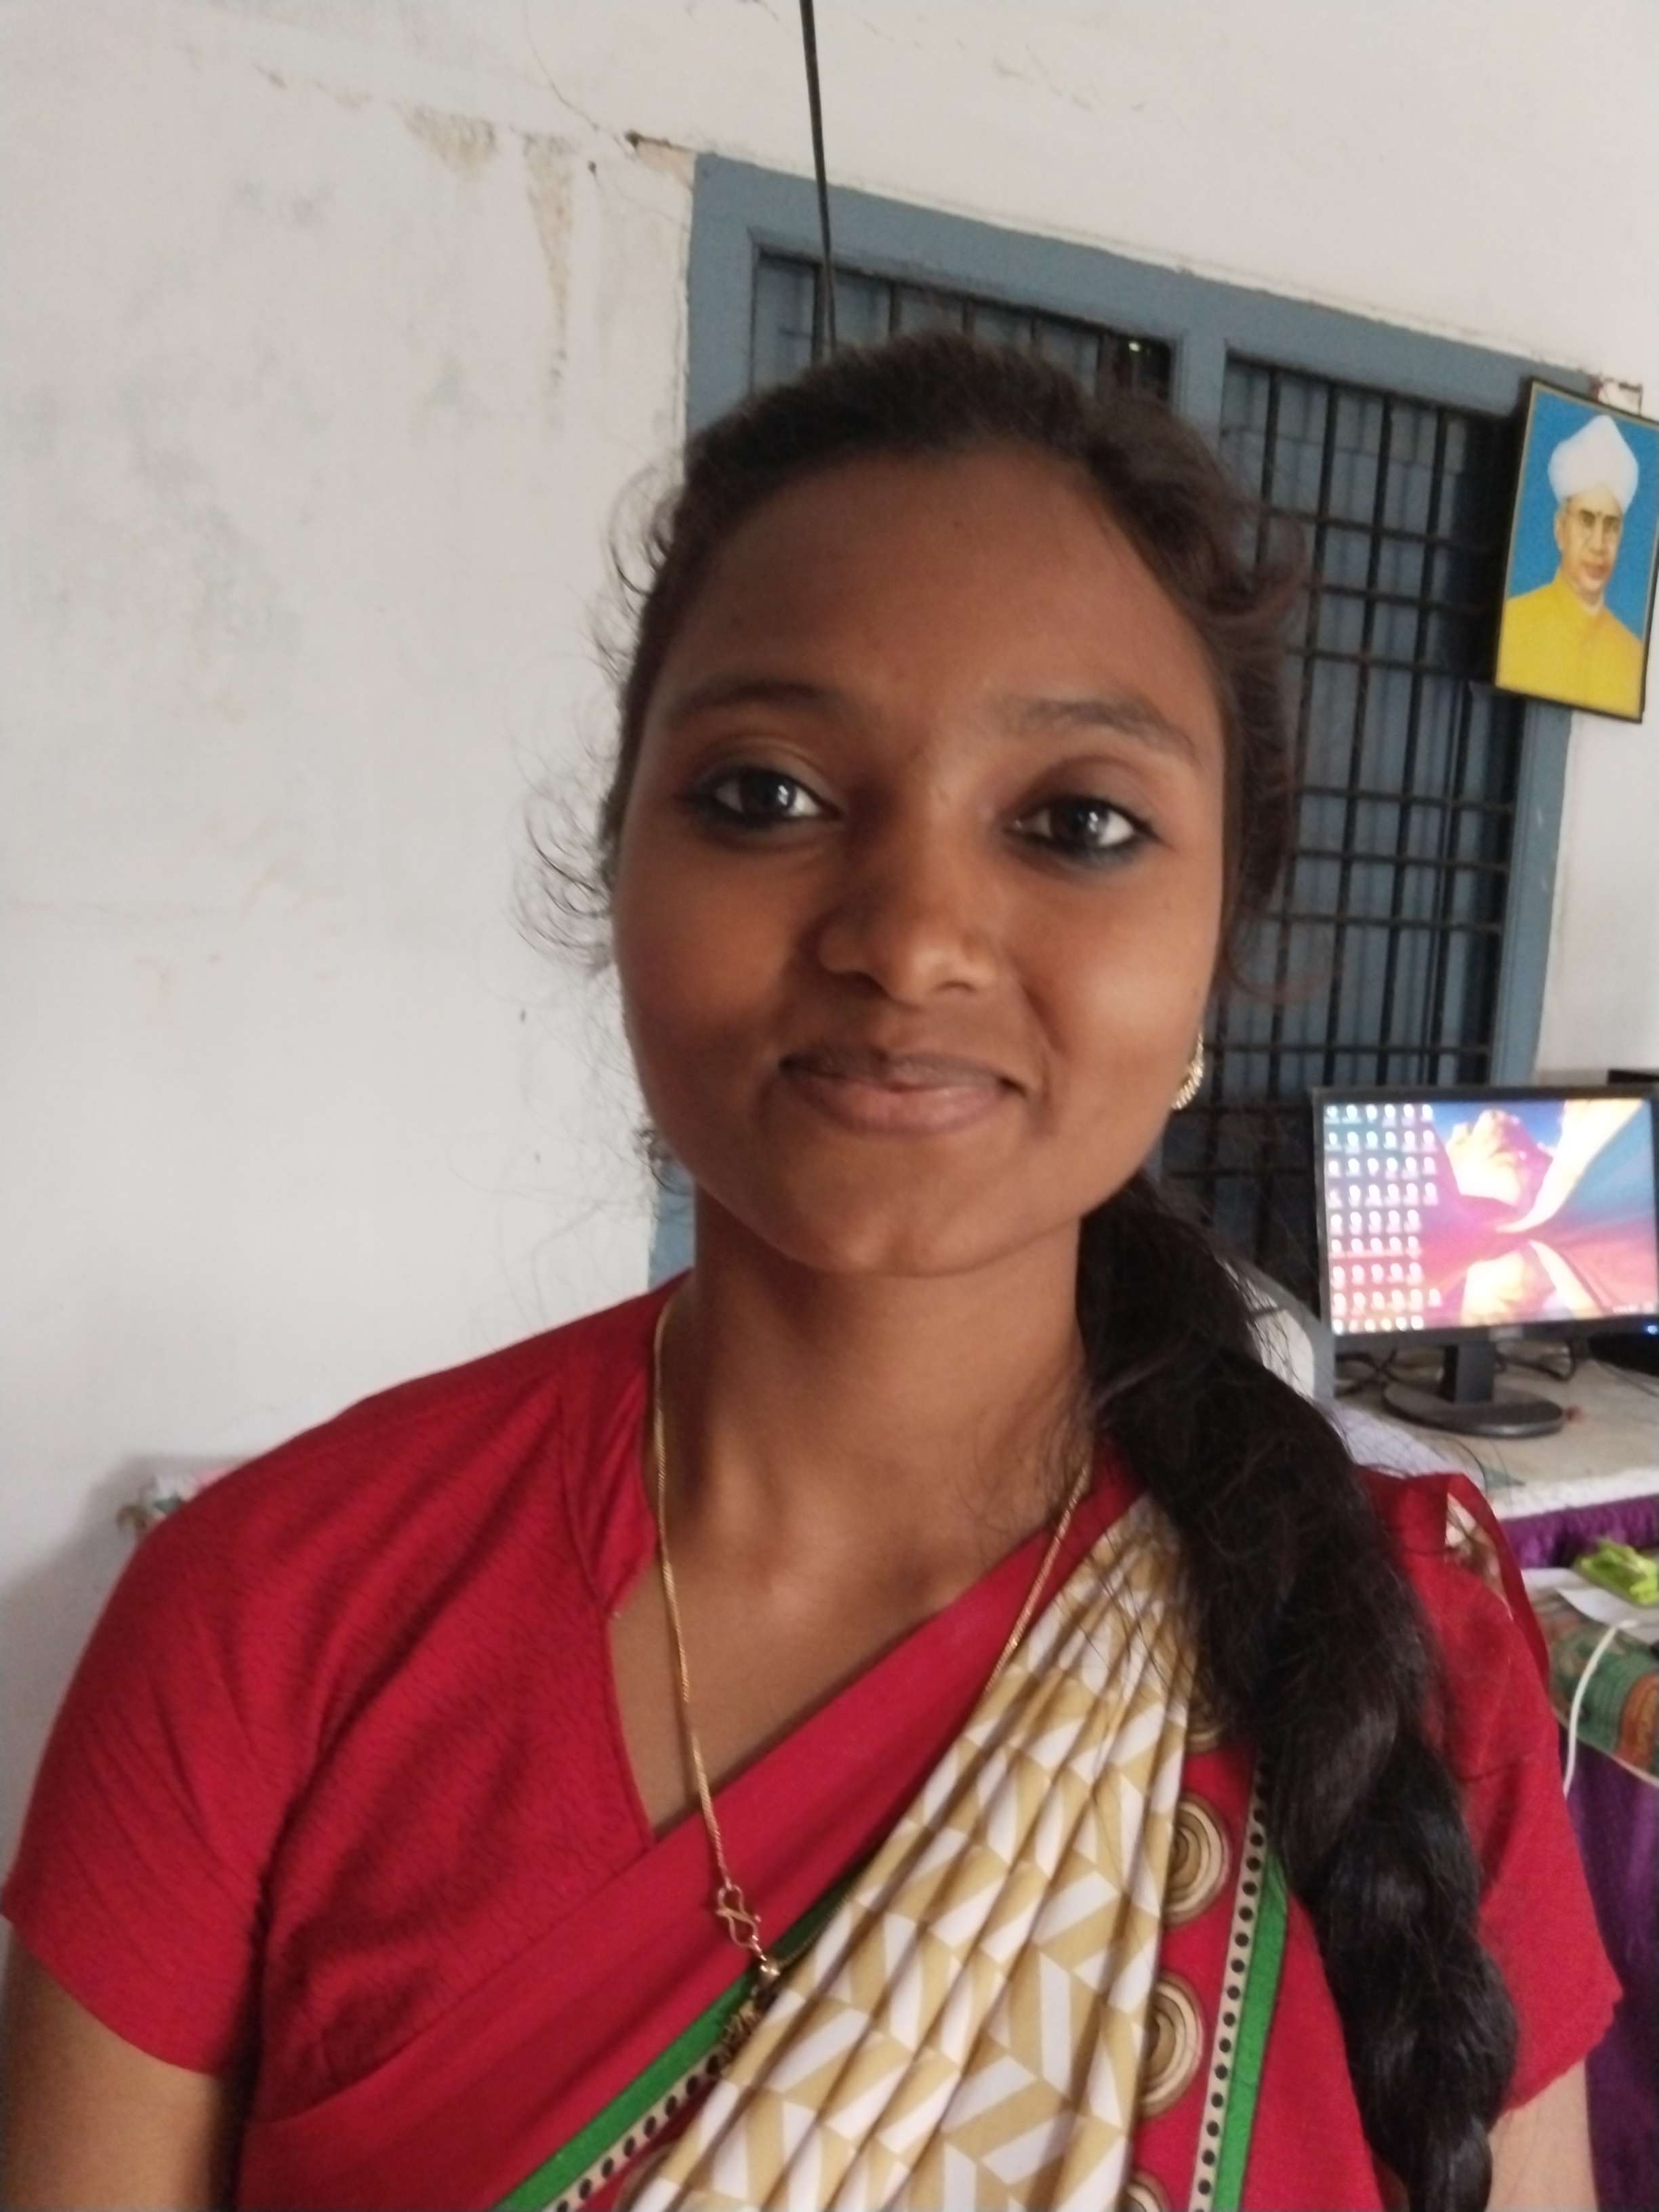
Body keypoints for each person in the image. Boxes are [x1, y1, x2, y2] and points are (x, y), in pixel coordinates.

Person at [0, 335, 1616, 2212]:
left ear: (1211, 951)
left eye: (1078, 823)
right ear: (617, 867)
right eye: (766, 795)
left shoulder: (1402, 1653)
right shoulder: (264, 1633)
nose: (911, 938)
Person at [1495, 409, 1645, 717]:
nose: (1598, 544)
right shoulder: (1513, 626)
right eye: (1587, 521)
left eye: (1611, 526)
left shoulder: (1632, 655)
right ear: (1560, 529)